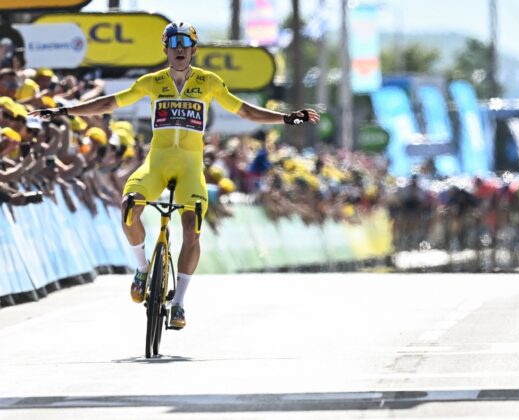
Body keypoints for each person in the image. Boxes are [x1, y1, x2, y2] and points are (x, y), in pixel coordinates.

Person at [31, 22, 319, 329]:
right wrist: (65, 111)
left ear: (193, 49)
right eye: (174, 43)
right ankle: (142, 270)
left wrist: (287, 117)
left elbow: (245, 112)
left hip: (191, 167)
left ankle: (179, 303)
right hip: (157, 163)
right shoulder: (151, 82)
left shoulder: (209, 82)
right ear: (166, 49)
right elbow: (109, 104)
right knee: (129, 209)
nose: (179, 48)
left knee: (192, 228)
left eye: (185, 43)